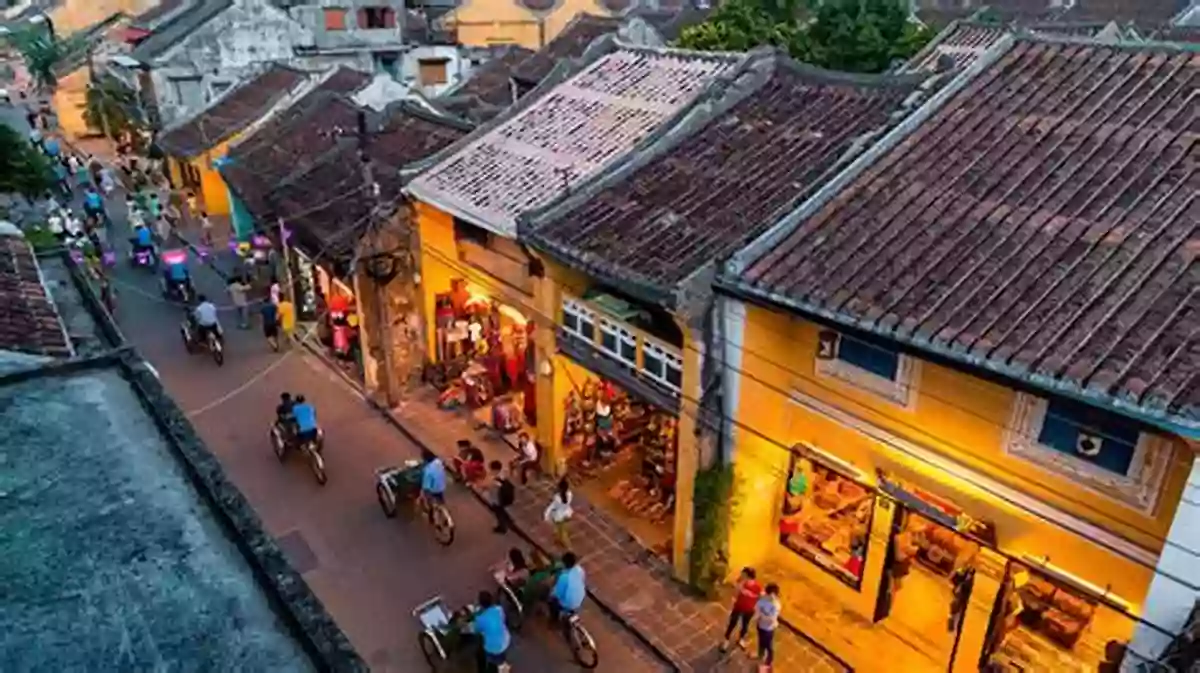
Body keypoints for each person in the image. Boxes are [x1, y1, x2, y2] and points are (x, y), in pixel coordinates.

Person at [721, 567, 763, 652]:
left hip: (749, 610)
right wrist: (740, 585)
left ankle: (741, 639)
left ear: (748, 576)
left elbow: (760, 597)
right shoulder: (741, 583)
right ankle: (726, 640)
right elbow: (735, 592)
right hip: (738, 607)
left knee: (745, 625)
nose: (741, 575)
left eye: (743, 574)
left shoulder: (757, 587)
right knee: (732, 624)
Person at [470, 591, 510, 673]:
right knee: (501, 656)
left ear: (480, 603)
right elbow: (502, 620)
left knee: (489, 659)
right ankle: (502, 665)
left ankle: (497, 668)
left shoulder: (480, 619)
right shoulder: (499, 609)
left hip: (492, 648)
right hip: (505, 640)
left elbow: (476, 630)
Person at [550, 552, 586, 619]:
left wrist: (551, 593)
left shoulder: (564, 577)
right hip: (580, 600)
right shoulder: (580, 570)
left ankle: (554, 619)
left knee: (551, 600)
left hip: (567, 604)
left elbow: (557, 594)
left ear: (564, 563)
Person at [754, 583, 781, 668]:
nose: (772, 597)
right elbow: (756, 609)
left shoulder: (776, 605)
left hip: (769, 629)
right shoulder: (762, 600)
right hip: (760, 625)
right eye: (770, 594)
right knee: (761, 642)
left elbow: (771, 619)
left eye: (774, 595)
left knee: (768, 645)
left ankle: (768, 663)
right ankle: (760, 655)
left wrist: (761, 615)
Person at [543, 478, 574, 549]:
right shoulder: (570, 494)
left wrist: (546, 516)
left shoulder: (557, 497)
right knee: (560, 528)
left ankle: (570, 548)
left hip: (559, 516)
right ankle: (559, 539)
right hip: (567, 513)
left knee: (563, 532)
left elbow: (552, 507)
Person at [490, 461, 515, 535]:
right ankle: (509, 521)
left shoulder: (497, 479)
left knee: (499, 513)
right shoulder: (504, 474)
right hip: (504, 498)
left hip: (498, 500)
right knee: (502, 511)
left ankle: (502, 527)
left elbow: (494, 491)